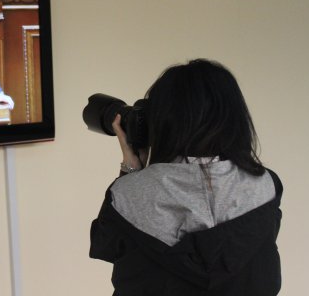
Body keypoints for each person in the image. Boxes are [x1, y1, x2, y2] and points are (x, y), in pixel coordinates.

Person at [89, 59, 283, 296]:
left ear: (161, 120)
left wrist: (131, 170)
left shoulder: (127, 195)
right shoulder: (265, 186)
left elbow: (105, 246)